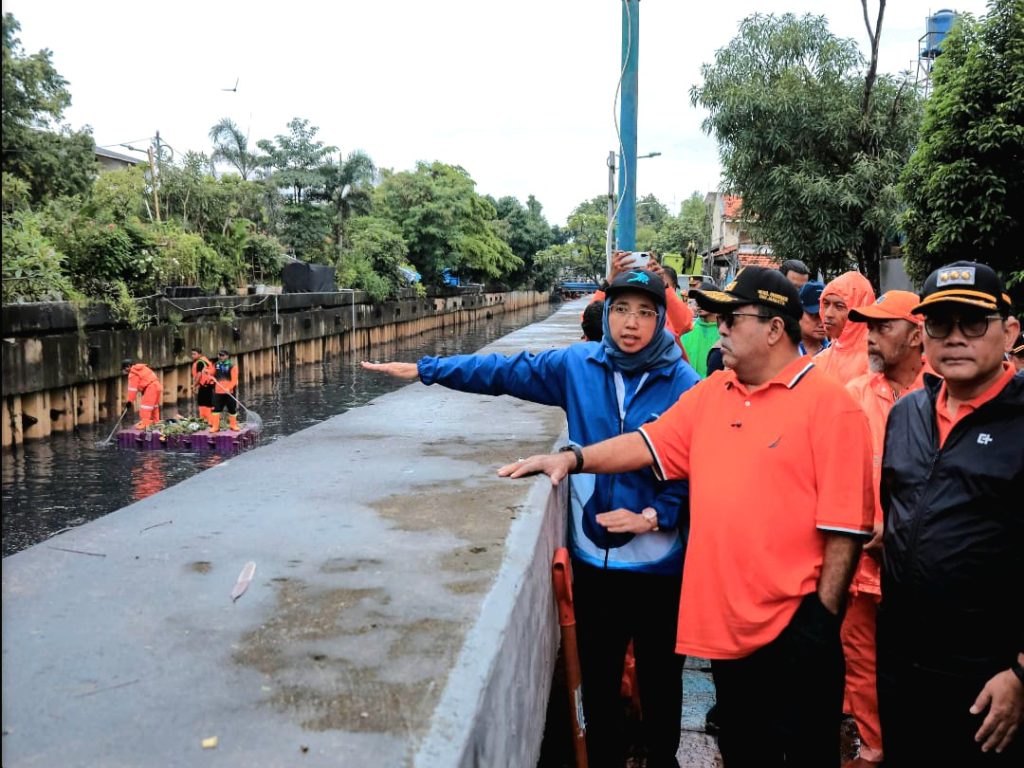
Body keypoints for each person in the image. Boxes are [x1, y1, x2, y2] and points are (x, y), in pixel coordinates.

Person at [503, 266, 875, 767]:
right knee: (742, 750)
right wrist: (573, 459)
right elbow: (645, 444)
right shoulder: (713, 392)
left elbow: (845, 529)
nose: (720, 327)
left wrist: (819, 624)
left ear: (774, 328)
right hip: (727, 628)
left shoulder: (831, 406)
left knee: (803, 753)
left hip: (795, 628)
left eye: (732, 317)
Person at [364, 269, 701, 767]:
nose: (631, 323)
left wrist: (655, 515)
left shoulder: (684, 384)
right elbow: (504, 371)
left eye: (645, 313)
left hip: (660, 565)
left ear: (660, 320)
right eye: (621, 310)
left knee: (661, 678)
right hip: (594, 562)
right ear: (607, 314)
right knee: (599, 679)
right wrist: (426, 369)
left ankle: (663, 757)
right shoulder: (579, 366)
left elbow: (695, 465)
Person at [877, 261, 1023, 766]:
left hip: (990, 676)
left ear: (1010, 331)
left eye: (974, 323)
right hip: (902, 662)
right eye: (940, 323)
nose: (955, 337)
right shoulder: (907, 414)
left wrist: (1020, 673)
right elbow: (897, 513)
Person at [840, 290, 929, 768]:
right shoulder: (854, 393)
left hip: (922, 563)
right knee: (861, 658)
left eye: (883, 327)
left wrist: (898, 528)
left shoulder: (941, 393)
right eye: (869, 328)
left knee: (921, 660)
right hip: (862, 561)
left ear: (916, 335)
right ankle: (874, 746)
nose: (870, 337)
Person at [815, 271, 876, 382]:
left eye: (839, 306)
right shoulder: (819, 361)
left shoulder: (878, 362)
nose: (828, 314)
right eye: (826, 304)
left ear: (859, 311)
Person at [679, 280, 720, 378]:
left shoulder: (725, 333)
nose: (699, 303)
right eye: (698, 299)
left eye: (704, 299)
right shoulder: (687, 330)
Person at [122, 359, 162, 429]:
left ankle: (145, 425)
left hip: (150, 388)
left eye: (125, 369)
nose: (125, 371)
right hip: (157, 386)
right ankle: (156, 422)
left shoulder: (133, 373)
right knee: (154, 407)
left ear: (128, 366)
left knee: (145, 407)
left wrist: (130, 401)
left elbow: (132, 389)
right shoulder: (142, 368)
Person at [797, 280, 831, 356]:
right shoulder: (782, 349)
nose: (822, 323)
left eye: (826, 316)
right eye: (815, 315)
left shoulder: (835, 353)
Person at [210, 349, 240, 433]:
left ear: (227, 356)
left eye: (222, 355)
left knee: (232, 409)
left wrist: (229, 388)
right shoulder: (216, 365)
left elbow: (234, 380)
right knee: (216, 409)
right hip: (218, 391)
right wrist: (207, 372)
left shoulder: (232, 366)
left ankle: (233, 425)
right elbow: (211, 373)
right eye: (219, 355)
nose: (220, 357)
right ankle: (215, 427)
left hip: (229, 392)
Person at [190, 347, 216, 423]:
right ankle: (206, 419)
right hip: (207, 385)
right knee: (205, 402)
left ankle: (207, 420)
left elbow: (199, 375)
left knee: (204, 403)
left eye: (194, 354)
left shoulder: (200, 362)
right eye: (192, 354)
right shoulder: (204, 360)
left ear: (199, 354)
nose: (193, 356)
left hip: (205, 385)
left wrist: (194, 385)